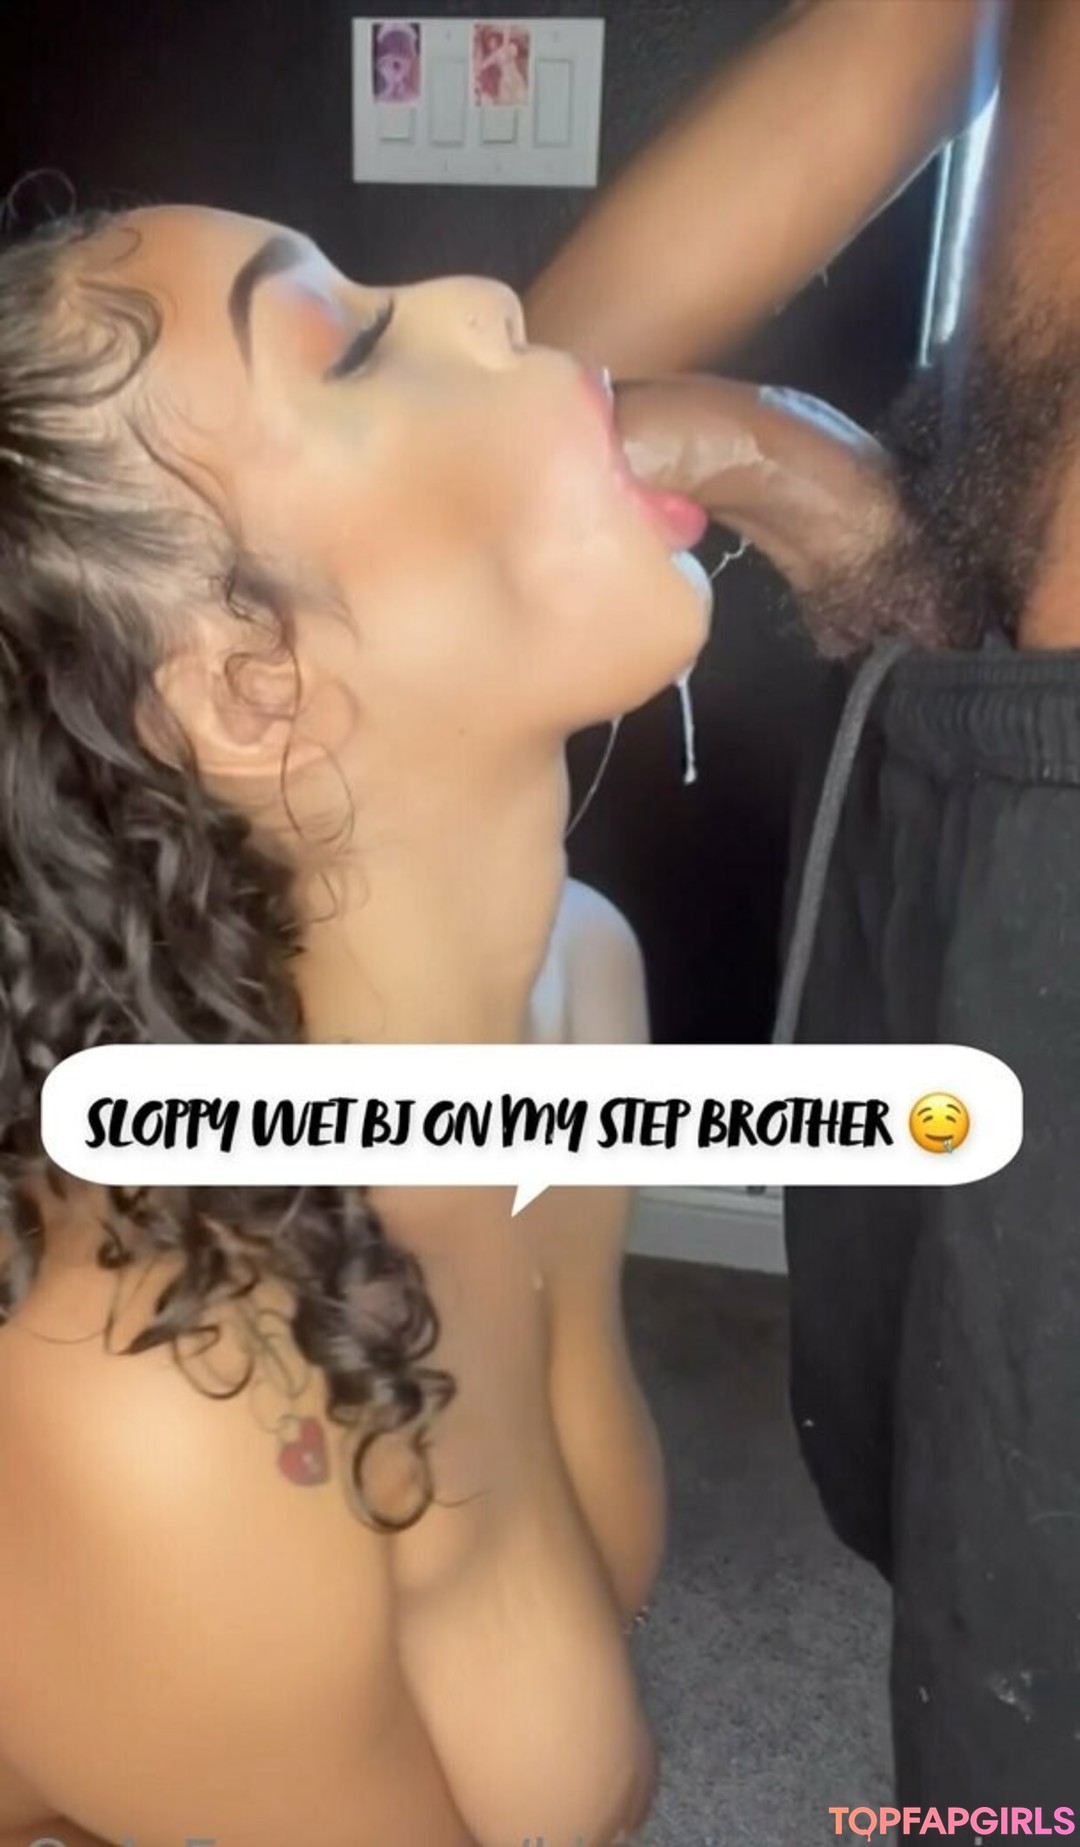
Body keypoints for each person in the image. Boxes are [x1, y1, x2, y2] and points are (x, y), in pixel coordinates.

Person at [0, 202, 715, 1847]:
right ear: (251, 687)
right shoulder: (165, 1401)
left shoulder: (576, 991)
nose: (488, 295)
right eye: (359, 347)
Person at [530, 0, 1080, 1826]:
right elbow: (893, 40)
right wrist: (818, 492)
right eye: (356, 357)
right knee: (949, 1492)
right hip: (975, 727)